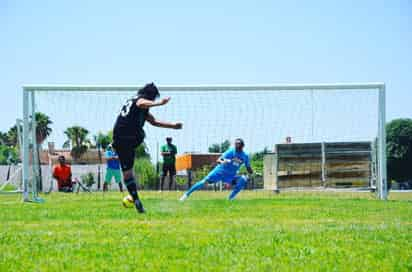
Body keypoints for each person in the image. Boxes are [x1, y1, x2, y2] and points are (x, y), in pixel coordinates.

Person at [112, 83, 183, 213]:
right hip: (128, 136)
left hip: (119, 138)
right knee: (141, 134)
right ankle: (136, 199)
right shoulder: (139, 100)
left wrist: (172, 126)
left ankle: (136, 199)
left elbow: (154, 122)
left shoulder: (137, 106)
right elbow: (141, 103)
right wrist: (160, 103)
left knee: (127, 173)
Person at [179, 138, 253, 201]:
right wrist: (223, 161)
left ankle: (230, 199)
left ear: (242, 145)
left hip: (230, 176)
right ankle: (186, 194)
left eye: (238, 144)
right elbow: (219, 160)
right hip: (219, 172)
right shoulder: (231, 151)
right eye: (235, 144)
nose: (236, 145)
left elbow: (248, 167)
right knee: (204, 182)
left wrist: (251, 172)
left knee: (243, 179)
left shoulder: (245, 156)